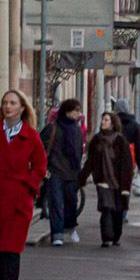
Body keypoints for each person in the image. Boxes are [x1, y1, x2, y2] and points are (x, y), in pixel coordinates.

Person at [0, 90, 48, 280]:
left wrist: (28, 188)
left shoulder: (30, 136)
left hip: (18, 202)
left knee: (11, 250)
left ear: (21, 108)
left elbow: (40, 165)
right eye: (4, 103)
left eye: (12, 103)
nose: (7, 106)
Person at [77, 111, 132, 247]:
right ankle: (106, 237)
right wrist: (81, 178)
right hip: (102, 180)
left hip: (118, 182)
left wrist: (126, 187)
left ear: (112, 124)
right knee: (106, 208)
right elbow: (90, 161)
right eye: (102, 119)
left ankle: (116, 236)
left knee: (117, 210)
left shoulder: (120, 141)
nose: (103, 122)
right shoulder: (96, 140)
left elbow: (127, 165)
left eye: (106, 120)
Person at [39, 98, 83, 246]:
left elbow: (78, 151)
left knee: (71, 202)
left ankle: (70, 227)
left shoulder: (77, 130)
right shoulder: (52, 129)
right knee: (56, 202)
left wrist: (79, 172)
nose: (79, 113)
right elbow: (39, 148)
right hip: (54, 171)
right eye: (76, 110)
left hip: (71, 172)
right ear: (68, 111)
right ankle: (57, 234)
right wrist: (44, 169)